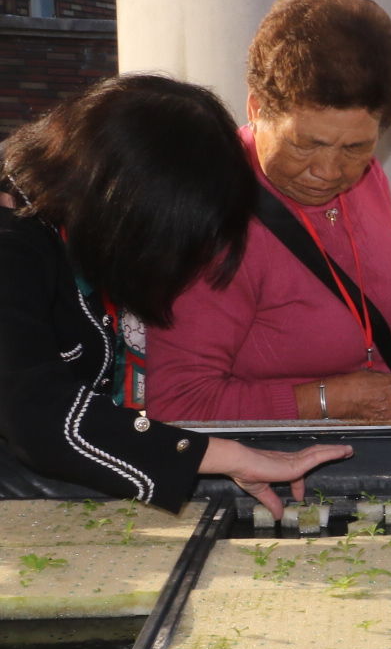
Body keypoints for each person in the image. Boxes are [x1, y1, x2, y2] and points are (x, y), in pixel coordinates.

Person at [0, 75, 350, 514]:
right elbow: (38, 415)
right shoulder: (12, 245)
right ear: (122, 206)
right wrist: (225, 456)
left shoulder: (56, 217)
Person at [146, 0, 391, 421]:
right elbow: (175, 404)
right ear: (256, 108)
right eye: (305, 144)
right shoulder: (209, 216)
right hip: (264, 476)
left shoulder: (368, 176)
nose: (329, 171)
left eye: (356, 147)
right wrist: (327, 400)